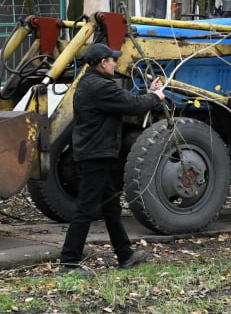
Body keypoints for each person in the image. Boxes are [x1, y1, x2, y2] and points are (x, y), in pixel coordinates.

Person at [59, 42, 166, 273]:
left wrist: (148, 93)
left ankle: (125, 254)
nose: (116, 63)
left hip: (95, 153)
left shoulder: (93, 83)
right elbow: (132, 105)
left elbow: (125, 100)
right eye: (112, 60)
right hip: (95, 154)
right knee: (86, 208)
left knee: (110, 207)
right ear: (102, 63)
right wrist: (156, 98)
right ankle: (69, 262)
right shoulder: (98, 86)